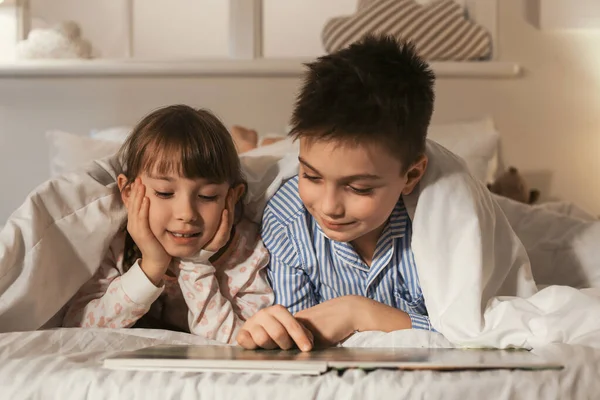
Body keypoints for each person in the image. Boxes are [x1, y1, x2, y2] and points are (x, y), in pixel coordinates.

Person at [236, 34, 437, 351]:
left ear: (410, 175)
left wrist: (358, 312)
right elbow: (298, 339)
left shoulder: (439, 222)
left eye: (359, 187)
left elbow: (472, 332)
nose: (329, 207)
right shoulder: (289, 220)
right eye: (311, 176)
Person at [63, 105, 274, 344]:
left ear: (231, 198)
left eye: (207, 196)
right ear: (129, 192)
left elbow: (241, 341)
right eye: (164, 193)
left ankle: (252, 147)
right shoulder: (117, 242)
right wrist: (151, 267)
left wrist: (196, 267)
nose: (186, 214)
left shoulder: (247, 253)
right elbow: (79, 328)